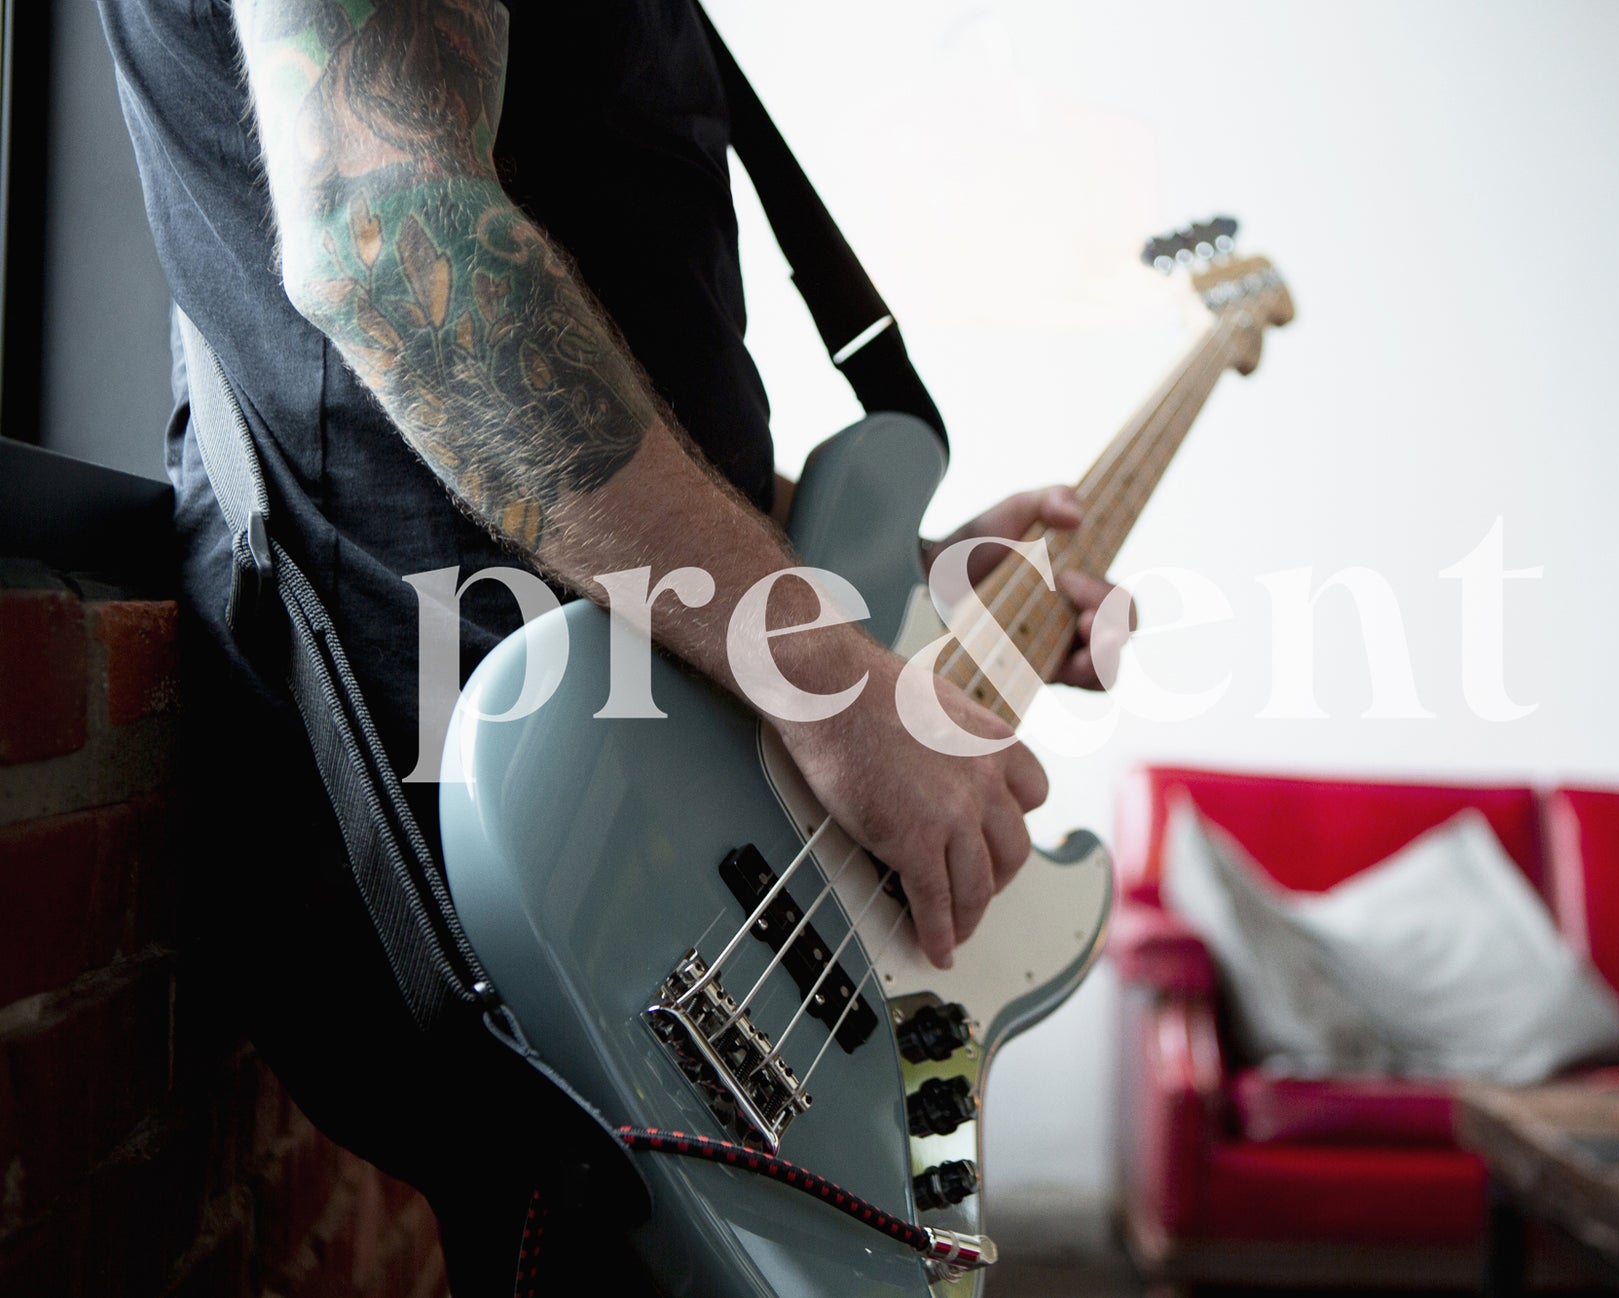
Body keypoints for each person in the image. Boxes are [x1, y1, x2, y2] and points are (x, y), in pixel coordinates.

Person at [100, 0, 1125, 1289]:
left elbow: (632, 390)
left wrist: (899, 581)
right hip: (497, 785)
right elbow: (388, 239)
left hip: (659, 781)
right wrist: (838, 689)